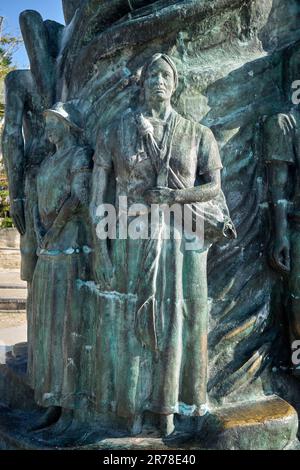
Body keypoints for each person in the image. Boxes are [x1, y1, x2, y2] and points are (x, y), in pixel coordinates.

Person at [90, 53, 235, 436]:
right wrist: (101, 248)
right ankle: (131, 408)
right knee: (131, 318)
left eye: (166, 74)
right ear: (142, 82)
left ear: (175, 84)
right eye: (152, 73)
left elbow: (214, 186)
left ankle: (171, 408)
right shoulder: (116, 129)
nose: (158, 80)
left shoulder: (197, 133)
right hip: (130, 235)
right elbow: (97, 198)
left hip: (183, 239)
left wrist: (176, 197)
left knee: (178, 319)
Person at [30, 102, 93, 431]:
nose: (49, 129)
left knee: (68, 329)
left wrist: (54, 231)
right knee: (48, 330)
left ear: (68, 126)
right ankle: (51, 400)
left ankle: (69, 409)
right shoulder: (48, 162)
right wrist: (41, 232)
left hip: (69, 252)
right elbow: (41, 203)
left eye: (54, 123)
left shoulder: (79, 156)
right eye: (47, 123)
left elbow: (80, 197)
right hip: (48, 251)